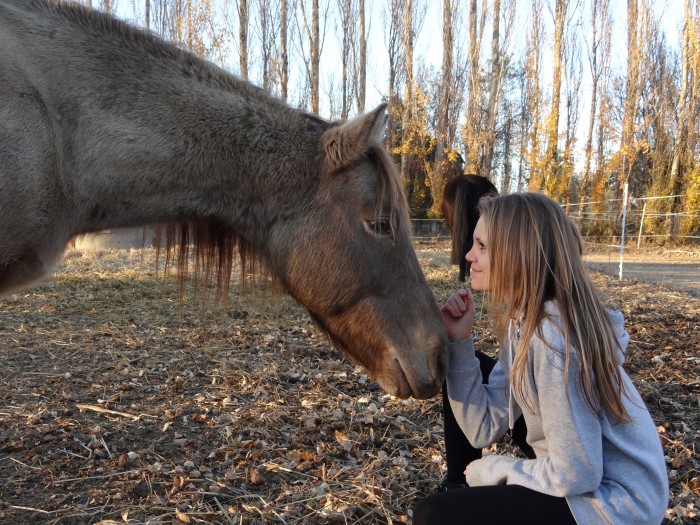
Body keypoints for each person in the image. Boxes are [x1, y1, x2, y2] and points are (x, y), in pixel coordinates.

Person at [413, 192, 669, 525]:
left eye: (482, 246)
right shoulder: (525, 320)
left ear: (518, 254)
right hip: (583, 479)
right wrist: (459, 342)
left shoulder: (552, 340)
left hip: (616, 505)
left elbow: (577, 473)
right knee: (469, 363)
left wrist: (497, 469)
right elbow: (482, 428)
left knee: (433, 516)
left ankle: (461, 503)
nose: (468, 255)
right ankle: (459, 490)